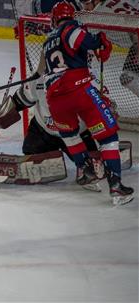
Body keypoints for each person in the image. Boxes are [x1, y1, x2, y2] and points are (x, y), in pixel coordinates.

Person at [42, 1, 134, 205]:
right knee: (108, 137)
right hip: (79, 91)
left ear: (54, 18)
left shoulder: (48, 39)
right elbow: (85, 41)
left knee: (70, 135)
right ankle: (116, 187)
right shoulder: (70, 28)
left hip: (55, 100)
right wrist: (99, 39)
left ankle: (85, 172)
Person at [78, 0, 139, 97]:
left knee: (129, 78)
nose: (85, 8)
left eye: (87, 4)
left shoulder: (96, 14)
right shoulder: (114, 1)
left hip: (136, 41)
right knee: (129, 77)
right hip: (135, 42)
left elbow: (86, 41)